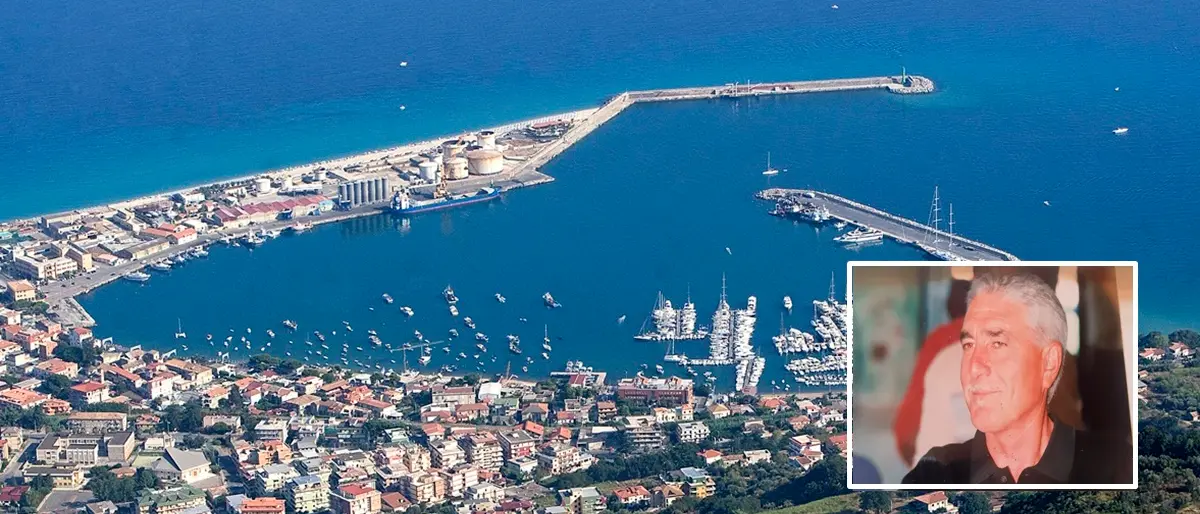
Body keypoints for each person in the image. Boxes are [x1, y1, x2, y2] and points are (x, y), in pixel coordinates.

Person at [902, 272, 1132, 485]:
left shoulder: (1117, 468)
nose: (974, 367)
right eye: (969, 345)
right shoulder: (934, 473)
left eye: (998, 344)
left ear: (1049, 363)